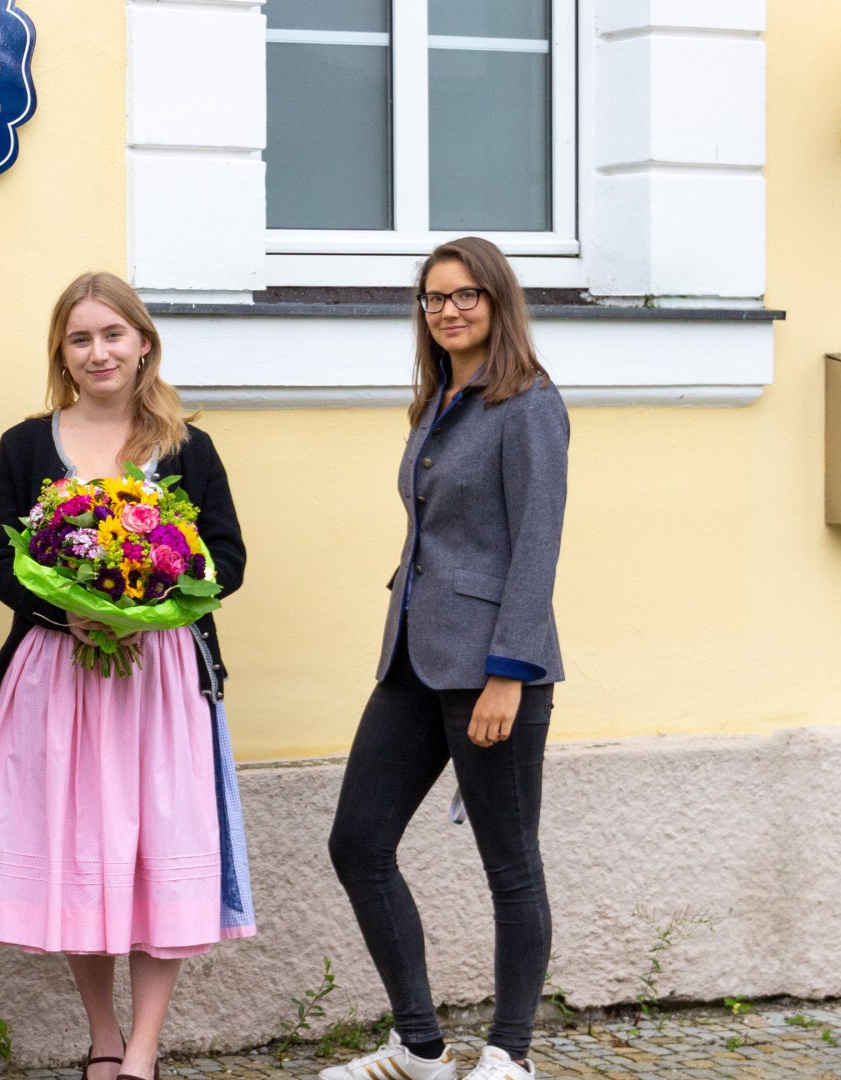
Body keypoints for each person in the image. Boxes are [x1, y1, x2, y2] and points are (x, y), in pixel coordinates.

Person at [0, 271, 255, 1080]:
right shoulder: (25, 446)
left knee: (161, 851)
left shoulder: (188, 448)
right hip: (60, 680)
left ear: (143, 343)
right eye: (81, 338)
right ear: (63, 351)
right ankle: (102, 1039)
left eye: (113, 334)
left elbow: (226, 561)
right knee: (78, 854)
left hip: (162, 682)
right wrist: (72, 613)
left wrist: (153, 599)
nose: (99, 352)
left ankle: (145, 1050)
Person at [322, 238, 569, 1080]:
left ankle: (510, 1054)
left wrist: (511, 672)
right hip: (412, 657)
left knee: (509, 863)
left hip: (491, 668)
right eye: (433, 298)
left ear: (498, 302)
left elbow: (536, 547)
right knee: (358, 843)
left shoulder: (528, 404)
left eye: (465, 295)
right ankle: (420, 1046)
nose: (448, 310)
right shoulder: (440, 399)